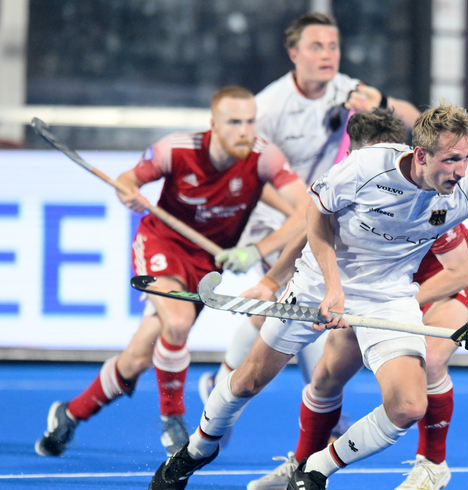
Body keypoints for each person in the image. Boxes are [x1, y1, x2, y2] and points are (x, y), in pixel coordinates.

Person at [145, 100, 468, 490]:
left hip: (389, 296)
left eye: (465, 158)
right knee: (249, 380)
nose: (461, 170)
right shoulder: (366, 166)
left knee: (409, 406)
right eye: (451, 160)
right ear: (421, 155)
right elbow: (315, 215)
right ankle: (196, 450)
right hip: (318, 282)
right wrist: (327, 287)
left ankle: (316, 469)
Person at [34, 86, 309, 458]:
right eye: (234, 122)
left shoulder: (263, 156)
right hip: (162, 246)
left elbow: (305, 210)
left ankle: (69, 414)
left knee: (137, 358)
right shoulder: (176, 150)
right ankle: (173, 421)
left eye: (250, 121)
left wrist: (255, 251)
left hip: (205, 263)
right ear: (213, 125)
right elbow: (128, 180)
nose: (245, 131)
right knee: (177, 324)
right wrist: (129, 193)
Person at [243, 109, 468, 490]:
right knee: (326, 374)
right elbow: (309, 234)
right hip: (379, 291)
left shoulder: (430, 192)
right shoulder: (353, 183)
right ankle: (303, 463)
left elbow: (459, 272)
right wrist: (270, 283)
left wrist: (380, 314)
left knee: (430, 358)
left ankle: (433, 463)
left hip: (444, 283)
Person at [200, 12, 422, 400]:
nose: (327, 55)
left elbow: (419, 126)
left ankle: (251, 390)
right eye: (316, 47)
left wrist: (382, 102)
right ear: (294, 54)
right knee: (294, 299)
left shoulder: (347, 89)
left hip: (323, 210)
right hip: (275, 214)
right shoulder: (268, 108)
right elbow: (246, 174)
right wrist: (297, 207)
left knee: (295, 307)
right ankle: (304, 403)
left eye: (333, 46)